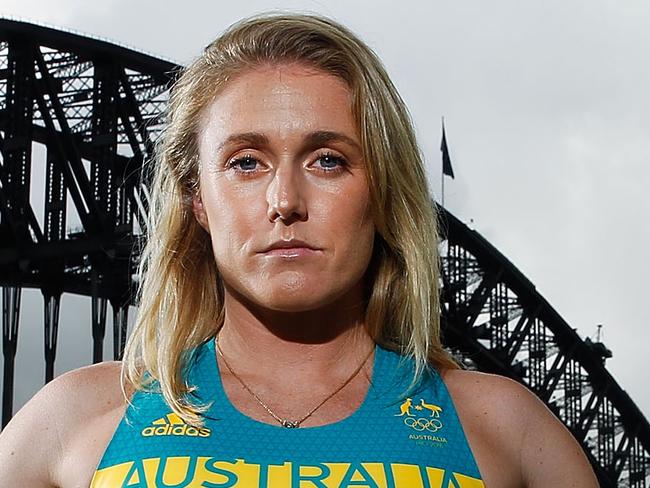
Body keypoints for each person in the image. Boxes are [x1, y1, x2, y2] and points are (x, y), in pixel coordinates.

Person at [0, 12, 598, 488]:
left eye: (328, 160)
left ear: (383, 193)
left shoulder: (508, 434)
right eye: (246, 163)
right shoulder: (70, 426)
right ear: (197, 201)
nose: (285, 200)